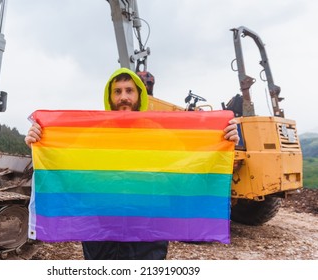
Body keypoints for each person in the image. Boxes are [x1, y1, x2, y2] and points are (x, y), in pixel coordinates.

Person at [25, 67, 240, 260]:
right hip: (101, 232)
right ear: (110, 98)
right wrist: (39, 143)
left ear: (139, 96)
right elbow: (66, 164)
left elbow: (190, 166)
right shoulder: (94, 133)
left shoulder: (159, 133)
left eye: (129, 90)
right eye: (117, 91)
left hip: (148, 232)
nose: (123, 97)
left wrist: (223, 142)